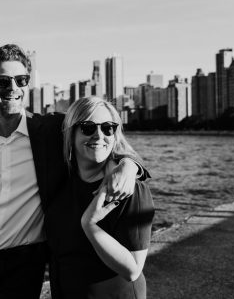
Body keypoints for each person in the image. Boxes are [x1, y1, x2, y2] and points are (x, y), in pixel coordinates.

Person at [0, 44, 145, 299]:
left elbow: (100, 135)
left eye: (21, 80)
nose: (13, 88)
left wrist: (130, 165)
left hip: (24, 265)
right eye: (3, 81)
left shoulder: (51, 129)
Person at [46, 96, 154, 299]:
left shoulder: (128, 189)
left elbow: (132, 269)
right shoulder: (62, 181)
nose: (99, 135)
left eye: (107, 128)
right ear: (71, 133)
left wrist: (90, 225)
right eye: (88, 127)